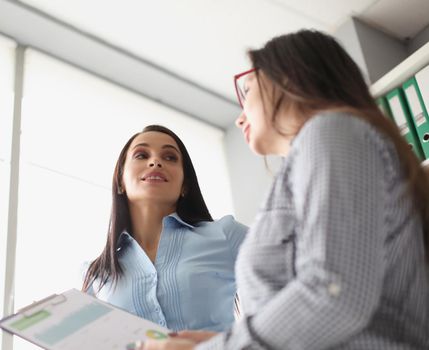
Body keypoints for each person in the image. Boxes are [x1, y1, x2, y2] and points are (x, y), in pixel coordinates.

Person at [140, 29, 429, 349]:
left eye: (246, 89)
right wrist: (226, 340)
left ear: (289, 77)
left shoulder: (332, 131)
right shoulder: (319, 153)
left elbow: (333, 292)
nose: (239, 119)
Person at [81, 124, 248, 332]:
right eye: (141, 155)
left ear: (185, 185)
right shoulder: (95, 275)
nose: (155, 161)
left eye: (170, 157)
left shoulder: (225, 235)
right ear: (120, 181)